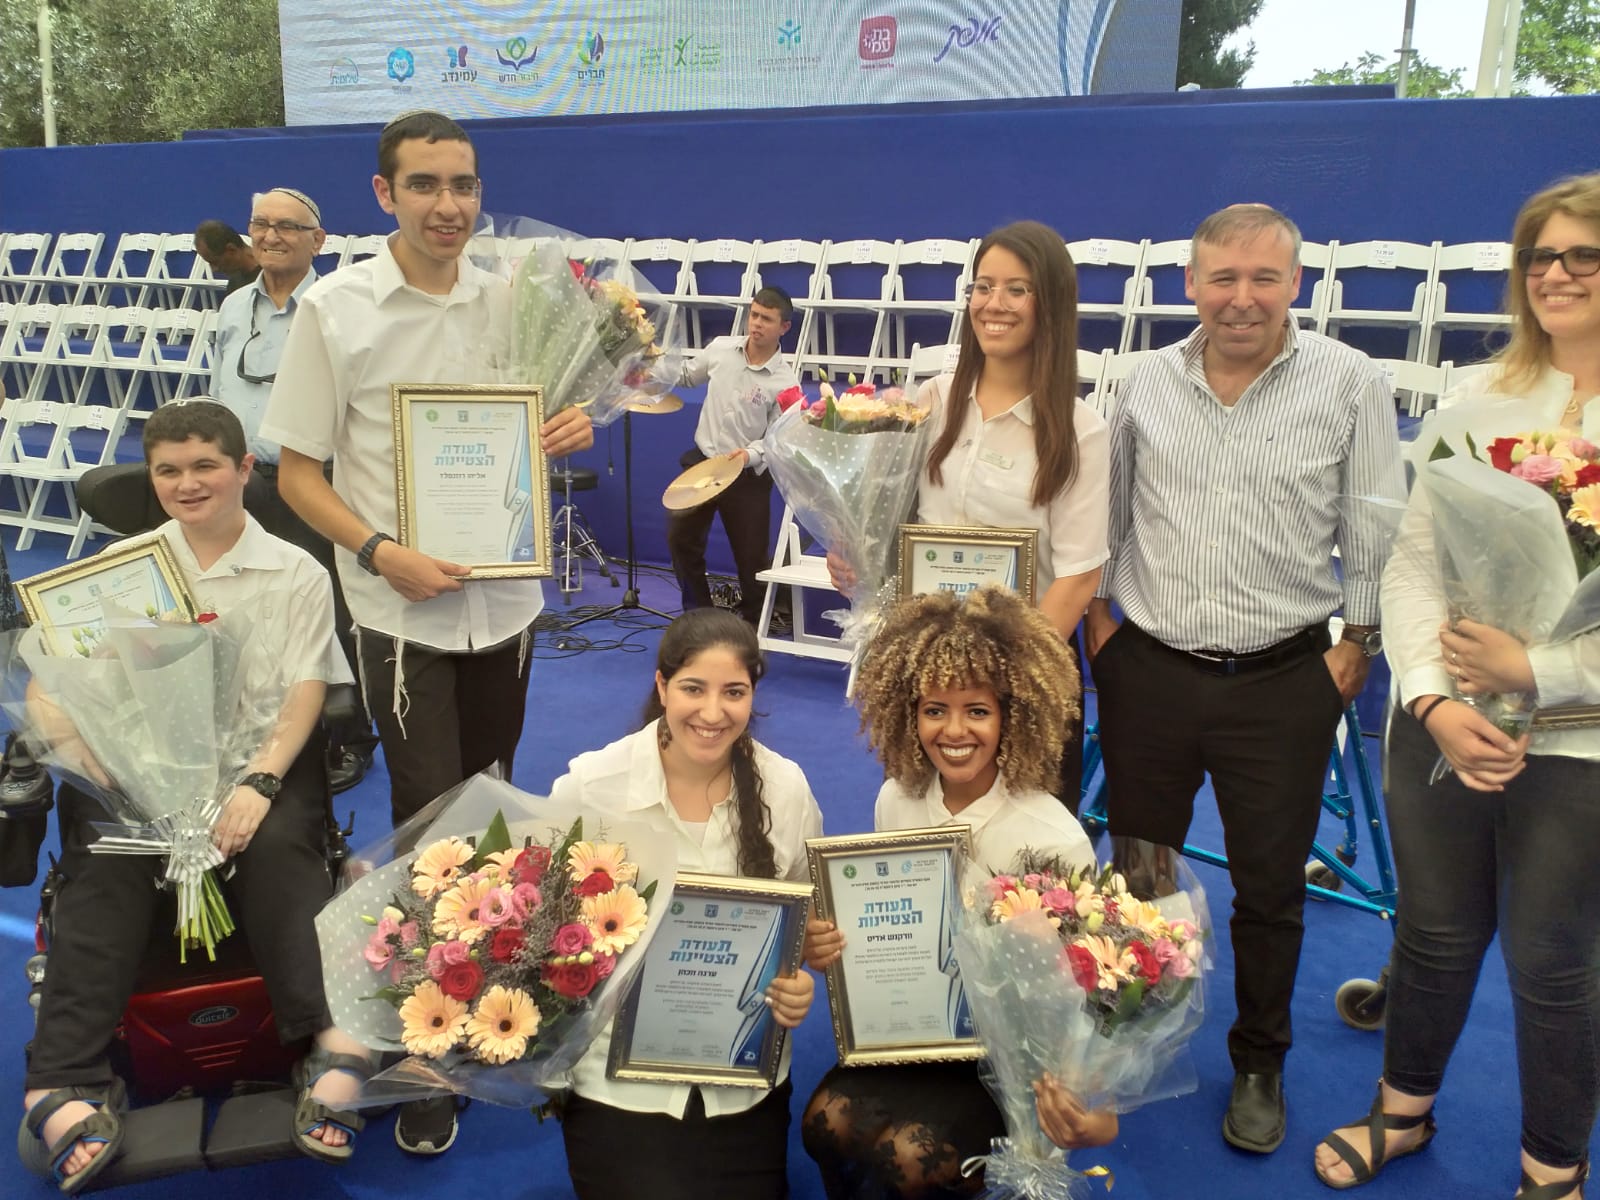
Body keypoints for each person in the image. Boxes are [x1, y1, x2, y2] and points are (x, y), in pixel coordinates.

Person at [259, 109, 594, 1156]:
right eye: (425, 185)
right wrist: (377, 550)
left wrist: (570, 423)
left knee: (490, 808)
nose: (449, 206)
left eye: (464, 184)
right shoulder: (338, 309)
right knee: (428, 819)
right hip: (400, 608)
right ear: (383, 193)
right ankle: (428, 1047)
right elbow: (297, 473)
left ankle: (490, 1009)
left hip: (505, 601)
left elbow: (530, 432)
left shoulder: (514, 300)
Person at [1084, 203, 1405, 1155]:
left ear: (1296, 283)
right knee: (1139, 871)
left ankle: (1260, 1061)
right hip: (1150, 669)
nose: (1242, 298)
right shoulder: (1144, 381)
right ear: (1190, 283)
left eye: (1264, 278)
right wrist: (1100, 622)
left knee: (1270, 891)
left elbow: (1375, 521)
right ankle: (1131, 1026)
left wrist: (1361, 641)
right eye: (1222, 278)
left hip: (1284, 679)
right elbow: (1107, 511)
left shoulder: (1350, 381)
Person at [1314, 173, 1600, 1200]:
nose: (1555, 273)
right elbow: (1412, 564)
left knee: (1552, 958)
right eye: (1539, 256)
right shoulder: (1473, 402)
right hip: (1446, 717)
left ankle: (1552, 1169)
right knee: (1431, 931)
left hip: (1581, 738)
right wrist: (1432, 699)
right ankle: (1402, 1113)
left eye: (1582, 254)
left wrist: (1542, 673)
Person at [19, 402, 370, 1191]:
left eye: (205, 465)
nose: (187, 483)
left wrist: (259, 782)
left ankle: (332, 1040)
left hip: (258, 760)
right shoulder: (123, 570)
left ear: (244, 469)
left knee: (277, 845)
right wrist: (77, 747)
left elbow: (305, 688)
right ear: (152, 478)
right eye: (169, 470)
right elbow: (47, 684)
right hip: (141, 764)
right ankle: (61, 1074)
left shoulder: (296, 571)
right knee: (105, 857)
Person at [801, 586, 1114, 1199]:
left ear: (1011, 716)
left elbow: (1083, 994)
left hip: (1004, 1055)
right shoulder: (897, 798)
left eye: (977, 710)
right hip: (915, 1024)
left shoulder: (1053, 836)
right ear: (909, 713)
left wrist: (1089, 1106)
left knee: (908, 1157)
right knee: (824, 1124)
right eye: (934, 709)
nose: (953, 730)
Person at [829, 220, 1108, 808]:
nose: (993, 304)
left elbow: (1080, 574)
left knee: (1023, 848)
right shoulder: (932, 399)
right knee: (925, 824)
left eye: (1017, 289)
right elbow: (891, 520)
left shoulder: (1080, 430)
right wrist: (857, 556)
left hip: (1024, 675)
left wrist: (1004, 677)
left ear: (1051, 303)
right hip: (928, 666)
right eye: (983, 286)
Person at [548, 608, 823, 1200]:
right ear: (662, 684)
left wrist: (796, 979)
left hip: (741, 1071)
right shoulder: (592, 786)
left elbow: (799, 918)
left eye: (734, 692)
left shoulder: (785, 789)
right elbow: (544, 923)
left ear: (753, 694)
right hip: (616, 1071)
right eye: (693, 688)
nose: (713, 712)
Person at [211, 185, 377, 793]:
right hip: (244, 485)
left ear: (318, 240)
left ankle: (349, 735)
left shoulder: (339, 308)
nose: (270, 236)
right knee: (252, 610)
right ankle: (269, 732)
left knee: (331, 611)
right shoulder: (234, 307)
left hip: (318, 483)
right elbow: (221, 389)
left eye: (287, 226)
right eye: (260, 224)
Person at [666, 286, 799, 626]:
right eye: (754, 315)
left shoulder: (786, 382)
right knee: (681, 539)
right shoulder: (720, 349)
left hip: (746, 474)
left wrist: (750, 454)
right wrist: (648, 362)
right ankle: (697, 612)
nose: (756, 324)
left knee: (751, 558)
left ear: (784, 327)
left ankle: (753, 623)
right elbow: (686, 376)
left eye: (766, 319)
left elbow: (779, 437)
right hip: (704, 461)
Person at [193, 220, 259, 296]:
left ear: (231, 249)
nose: (214, 269)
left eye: (215, 262)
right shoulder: (234, 283)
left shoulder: (269, 276)